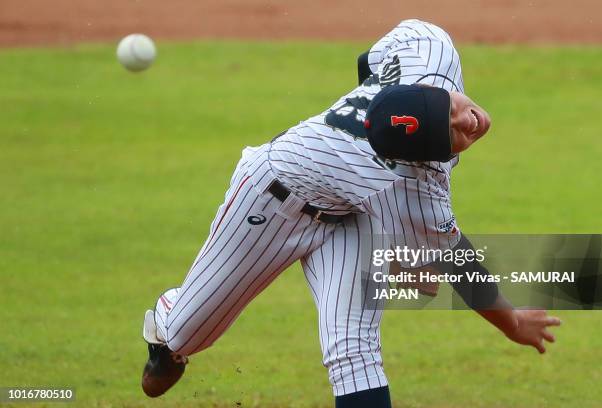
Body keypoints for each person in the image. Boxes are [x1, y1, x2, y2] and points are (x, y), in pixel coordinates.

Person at [140, 19, 561, 407]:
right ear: (423, 158)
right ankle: (167, 321)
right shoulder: (414, 182)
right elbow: (456, 261)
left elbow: (373, 59)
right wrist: (511, 322)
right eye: (451, 131)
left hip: (354, 216)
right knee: (189, 334)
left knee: (353, 348)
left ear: (432, 87)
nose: (468, 120)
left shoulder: (429, 48)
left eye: (452, 108)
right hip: (271, 199)